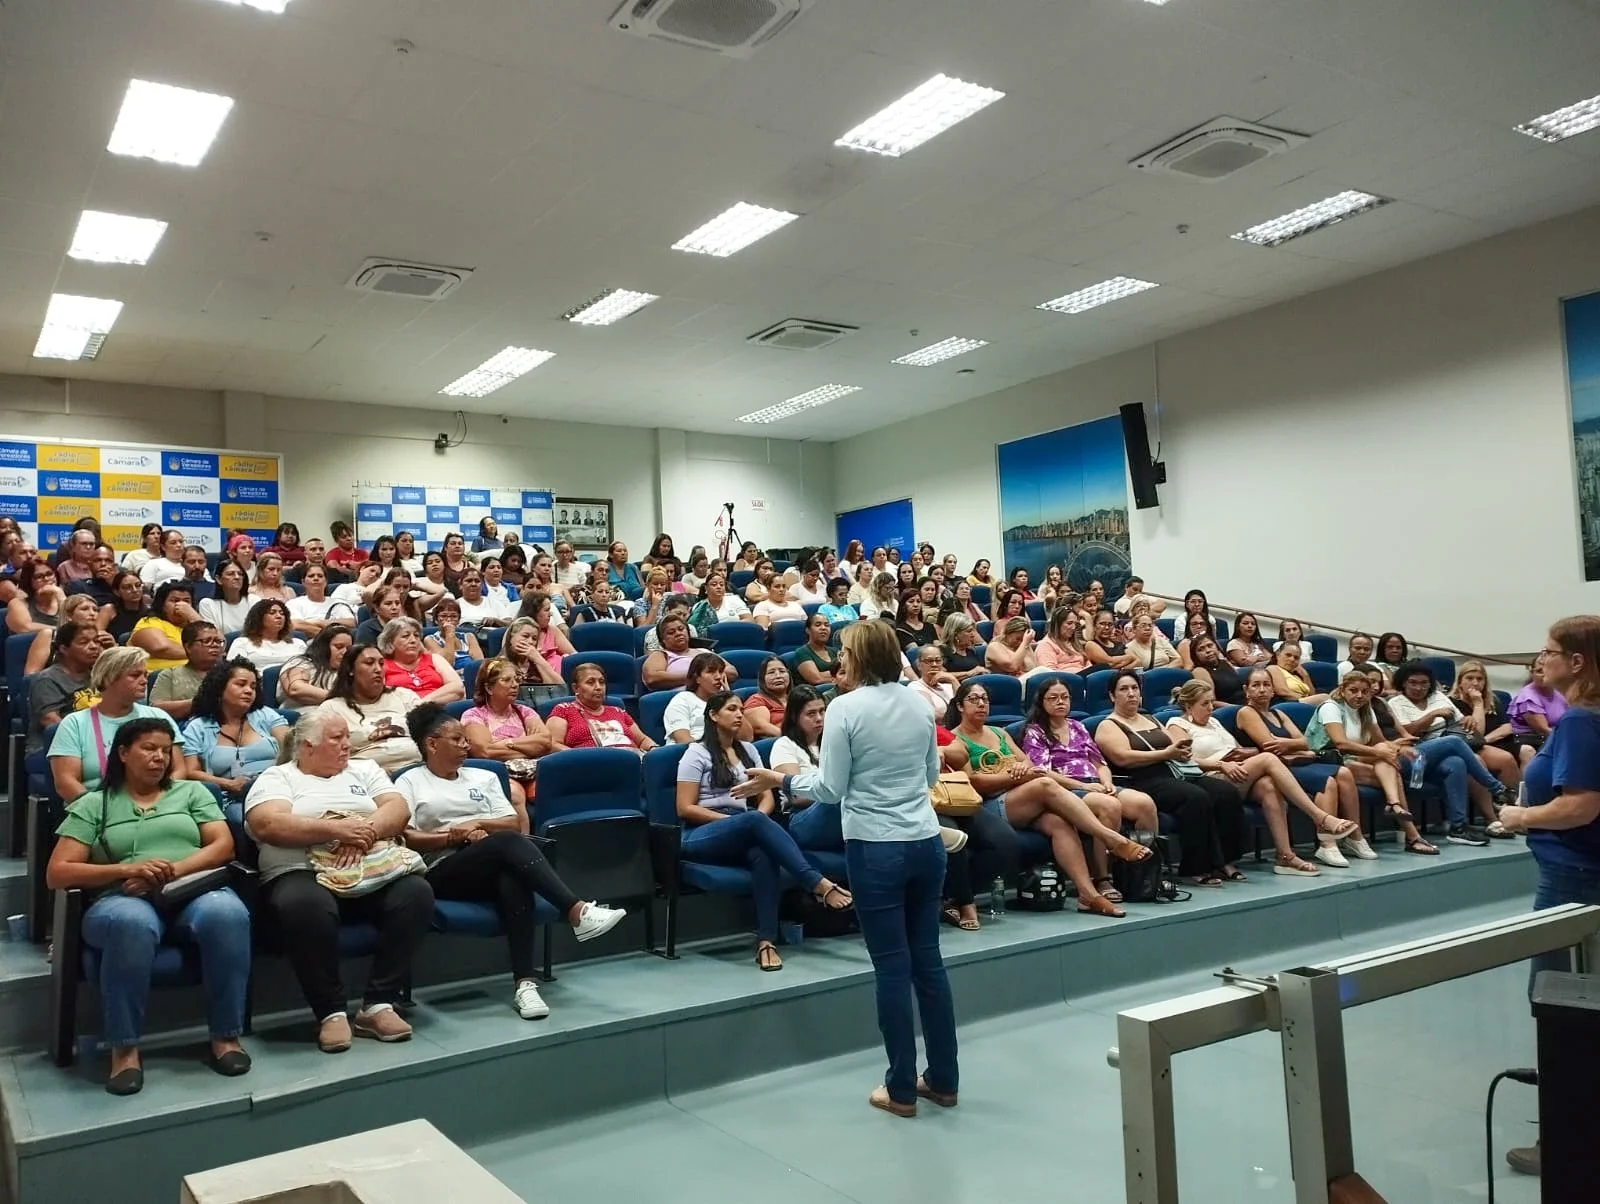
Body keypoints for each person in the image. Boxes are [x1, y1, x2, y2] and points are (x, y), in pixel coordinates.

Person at [731, 621, 962, 1115]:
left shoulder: (845, 708)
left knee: (892, 968)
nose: (839, 657)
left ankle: (900, 1088)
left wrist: (781, 778)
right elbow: (928, 775)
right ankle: (943, 1079)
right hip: (925, 841)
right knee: (929, 962)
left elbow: (831, 788)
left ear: (859, 656)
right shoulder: (919, 705)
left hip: (877, 849)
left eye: (846, 651)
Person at [46, 717, 249, 1094]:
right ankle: (123, 1050)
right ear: (123, 753)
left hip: (190, 890)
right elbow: (58, 872)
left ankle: (226, 1037)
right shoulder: (95, 803)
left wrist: (168, 872)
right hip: (121, 897)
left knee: (228, 914)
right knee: (131, 924)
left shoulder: (191, 793)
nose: (159, 757)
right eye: (148, 748)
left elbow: (223, 847)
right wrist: (127, 868)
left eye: (165, 750)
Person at [397, 705, 624, 1020]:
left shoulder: (484, 776)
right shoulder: (410, 781)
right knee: (506, 846)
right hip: (441, 870)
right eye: (457, 739)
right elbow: (405, 836)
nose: (466, 745)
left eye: (466, 739)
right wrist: (452, 837)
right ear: (432, 744)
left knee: (511, 877)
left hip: (489, 858)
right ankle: (575, 910)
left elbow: (510, 823)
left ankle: (525, 985)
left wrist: (478, 825)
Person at [245, 711, 430, 1050]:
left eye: (347, 736)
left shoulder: (365, 769)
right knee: (304, 904)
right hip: (301, 870)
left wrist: (361, 832)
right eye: (336, 738)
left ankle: (378, 1004)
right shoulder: (278, 777)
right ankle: (330, 1012)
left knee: (415, 892)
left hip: (369, 864)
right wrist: (335, 829)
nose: (347, 744)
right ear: (307, 746)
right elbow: (267, 824)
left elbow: (398, 809)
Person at [1494, 616, 1600, 1176]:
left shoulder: (1581, 719)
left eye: (1550, 651)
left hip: (1574, 880)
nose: (1543, 659)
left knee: (1559, 1008)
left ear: (1577, 662)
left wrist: (1519, 816)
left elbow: (1580, 806)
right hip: (1585, 873)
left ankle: (1568, 1141)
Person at [676, 690, 852, 973]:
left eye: (740, 709)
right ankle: (816, 882)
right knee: (754, 823)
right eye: (731, 709)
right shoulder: (696, 753)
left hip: (744, 827)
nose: (738, 714)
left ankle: (766, 942)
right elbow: (684, 807)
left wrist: (754, 822)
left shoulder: (750, 750)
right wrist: (739, 823)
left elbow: (767, 797)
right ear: (713, 715)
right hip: (701, 832)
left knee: (762, 852)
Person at [948, 679, 1148, 915]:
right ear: (960, 706)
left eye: (985, 699)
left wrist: (1020, 771)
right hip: (990, 807)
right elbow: (975, 782)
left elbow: (1028, 763)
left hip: (1022, 798)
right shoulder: (955, 739)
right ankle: (1111, 839)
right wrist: (1014, 776)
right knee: (1045, 783)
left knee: (1059, 823)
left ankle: (1088, 895)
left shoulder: (999, 732)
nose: (981, 704)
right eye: (974, 699)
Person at [1166, 681, 1358, 876]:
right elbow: (1182, 759)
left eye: (1211, 703)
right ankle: (1320, 817)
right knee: (1268, 758)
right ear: (1189, 705)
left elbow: (1234, 748)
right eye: (1204, 704)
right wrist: (1221, 764)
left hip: (1237, 770)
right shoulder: (1177, 725)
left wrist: (1243, 755)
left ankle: (1285, 856)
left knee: (1269, 787)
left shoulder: (1214, 722)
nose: (1210, 708)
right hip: (1210, 778)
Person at [1095, 669, 1247, 885]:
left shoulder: (1150, 718)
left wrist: (1181, 751)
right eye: (1124, 689)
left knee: (1225, 792)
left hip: (1172, 771)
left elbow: (1172, 745)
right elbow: (1123, 758)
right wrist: (1166, 753)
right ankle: (1196, 867)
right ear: (1112, 696)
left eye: (1134, 688)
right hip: (1141, 780)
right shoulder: (1108, 725)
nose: (1131, 694)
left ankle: (1225, 860)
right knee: (1195, 797)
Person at [1020, 677, 1160, 904]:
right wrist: (1085, 786)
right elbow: (1042, 772)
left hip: (1096, 783)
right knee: (1110, 805)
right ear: (1041, 702)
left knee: (1144, 803)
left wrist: (1107, 783)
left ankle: (1143, 872)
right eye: (1053, 698)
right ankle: (1103, 878)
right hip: (1066, 789)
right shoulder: (1035, 732)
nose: (1060, 702)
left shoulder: (1078, 726)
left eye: (1064, 697)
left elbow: (1099, 762)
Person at [1234, 667, 1374, 866]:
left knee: (1343, 772)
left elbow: (1306, 741)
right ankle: (1328, 844)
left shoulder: (1279, 713)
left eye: (1266, 685)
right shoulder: (1246, 712)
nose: (1262, 690)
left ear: (1273, 690)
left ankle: (1355, 837)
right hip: (1275, 769)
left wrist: (1290, 745)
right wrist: (1295, 746)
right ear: (1246, 690)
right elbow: (1269, 745)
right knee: (1327, 781)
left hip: (1293, 762)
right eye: (1256, 685)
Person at [1305, 672, 1436, 855]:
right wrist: (1380, 752)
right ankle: (1410, 832)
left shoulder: (1366, 709)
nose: (1359, 696)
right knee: (1391, 772)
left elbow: (1380, 741)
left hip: (1352, 757)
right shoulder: (1331, 707)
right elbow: (1340, 743)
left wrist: (1399, 749)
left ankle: (1395, 807)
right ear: (1343, 690)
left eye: (1364, 692)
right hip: (1327, 759)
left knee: (1385, 755)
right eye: (1354, 690)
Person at [1386, 659, 1513, 844]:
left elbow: (1461, 723)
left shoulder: (1438, 697)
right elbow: (1406, 733)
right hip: (1412, 759)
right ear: (1403, 683)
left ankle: (1458, 827)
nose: (1419, 687)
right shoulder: (1395, 702)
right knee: (1452, 742)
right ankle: (1497, 788)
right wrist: (1432, 716)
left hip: (1437, 758)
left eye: (1424, 683)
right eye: (1413, 682)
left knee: (1457, 763)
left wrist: (1468, 719)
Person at [50, 646, 185, 801]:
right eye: (135, 675)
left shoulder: (159, 716)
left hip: (156, 806)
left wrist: (157, 801)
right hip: (98, 810)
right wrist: (99, 810)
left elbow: (179, 770)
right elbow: (66, 782)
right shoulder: (75, 723)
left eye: (145, 675)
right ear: (108, 678)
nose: (144, 681)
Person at [182, 659, 292, 809]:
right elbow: (190, 772)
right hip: (232, 797)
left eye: (253, 687)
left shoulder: (266, 715)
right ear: (220, 688)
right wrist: (228, 784)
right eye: (241, 684)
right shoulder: (198, 727)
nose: (249, 691)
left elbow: (292, 749)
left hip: (277, 787)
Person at [318, 643, 424, 773]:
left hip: (418, 769)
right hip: (363, 776)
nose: (378, 669)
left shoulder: (404, 696)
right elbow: (325, 751)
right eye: (369, 663)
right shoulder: (332, 708)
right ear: (351, 670)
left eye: (381, 663)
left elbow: (432, 731)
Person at [460, 658, 551, 802]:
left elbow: (545, 743)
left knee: (550, 788)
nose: (514, 685)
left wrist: (507, 743)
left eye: (516, 679)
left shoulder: (525, 711)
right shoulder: (473, 715)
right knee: (514, 795)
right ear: (489, 688)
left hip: (532, 771)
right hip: (497, 773)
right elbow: (485, 752)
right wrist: (530, 748)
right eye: (506, 680)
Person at [27, 621, 103, 756]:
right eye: (84, 642)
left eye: (96, 641)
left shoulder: (101, 675)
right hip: (53, 748)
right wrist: (91, 742)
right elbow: (50, 721)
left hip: (98, 742)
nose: (93, 647)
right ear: (64, 649)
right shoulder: (47, 680)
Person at [546, 662, 655, 753]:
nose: (598, 687)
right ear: (576, 688)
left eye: (602, 682)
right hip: (589, 766)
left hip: (630, 762)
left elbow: (642, 740)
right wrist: (579, 758)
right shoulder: (564, 709)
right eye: (590, 682)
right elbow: (553, 744)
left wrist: (653, 748)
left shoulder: (617, 711)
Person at [1451, 658, 1528, 773]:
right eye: (1469, 678)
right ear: (1460, 682)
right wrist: (1478, 703)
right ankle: (1510, 790)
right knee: (1506, 758)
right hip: (1472, 747)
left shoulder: (1493, 700)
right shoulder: (1452, 703)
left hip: (1492, 742)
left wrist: (1486, 739)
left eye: (1480, 679)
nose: (1475, 683)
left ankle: (1527, 790)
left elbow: (1508, 727)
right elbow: (1476, 733)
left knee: (1528, 750)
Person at [149, 621, 228, 722]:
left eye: (218, 641)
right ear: (188, 647)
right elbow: (155, 709)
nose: (215, 645)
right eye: (207, 641)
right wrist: (199, 703)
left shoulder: (231, 673)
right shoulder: (170, 674)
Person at [378, 617, 464, 706]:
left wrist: (422, 703)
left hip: (438, 709)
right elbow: (379, 699)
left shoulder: (434, 659)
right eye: (405, 636)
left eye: (416, 635)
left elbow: (458, 687)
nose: (413, 640)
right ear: (390, 643)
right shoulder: (381, 666)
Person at [666, 653, 742, 744]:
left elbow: (747, 738)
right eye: (711, 672)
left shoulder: (726, 703)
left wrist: (730, 698)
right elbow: (683, 741)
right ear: (697, 678)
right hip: (692, 754)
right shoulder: (682, 700)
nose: (718, 677)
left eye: (721, 671)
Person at [279, 625, 353, 708]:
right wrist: (340, 698)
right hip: (305, 714)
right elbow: (295, 689)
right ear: (323, 647)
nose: (345, 652)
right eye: (339, 647)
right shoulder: (301, 663)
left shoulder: (351, 669)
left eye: (349, 648)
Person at [225, 599, 305, 670]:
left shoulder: (298, 643)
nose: (279, 616)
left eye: (282, 613)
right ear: (258, 618)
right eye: (272, 612)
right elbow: (234, 672)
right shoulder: (242, 643)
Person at [1511, 655, 1568, 755]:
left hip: (1557, 738)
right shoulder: (1527, 697)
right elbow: (1544, 730)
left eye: (1548, 669)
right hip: (1535, 742)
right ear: (1532, 673)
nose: (1544, 674)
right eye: (1539, 671)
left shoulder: (1559, 691)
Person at [7, 558, 64, 634]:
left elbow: (76, 625)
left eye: (49, 574)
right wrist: (61, 631)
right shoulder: (18, 603)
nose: (46, 579)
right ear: (28, 581)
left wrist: (61, 597)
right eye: (39, 577)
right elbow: (25, 627)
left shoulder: (62, 597)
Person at [743, 655, 791, 739]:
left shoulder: (798, 697)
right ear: (763, 679)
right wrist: (794, 740)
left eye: (782, 671)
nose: (778, 676)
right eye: (771, 672)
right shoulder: (757, 700)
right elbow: (761, 727)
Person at [198, 562, 252, 636]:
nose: (237, 577)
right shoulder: (208, 604)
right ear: (219, 579)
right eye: (230, 574)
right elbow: (212, 635)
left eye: (240, 574)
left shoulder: (253, 600)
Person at [98, 569, 151, 644]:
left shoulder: (149, 612)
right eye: (127, 587)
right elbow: (97, 634)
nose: (135, 590)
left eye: (138, 585)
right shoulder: (109, 609)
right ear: (117, 592)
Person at [1036, 607, 1092, 674]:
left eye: (1075, 624)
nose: (1073, 627)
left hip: (1083, 676)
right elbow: (1049, 672)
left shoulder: (1075, 642)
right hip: (1064, 679)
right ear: (1057, 624)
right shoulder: (1045, 645)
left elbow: (1087, 664)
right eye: (1069, 623)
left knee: (1103, 669)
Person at [793, 612, 839, 689]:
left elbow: (849, 673)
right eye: (818, 625)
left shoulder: (835, 651)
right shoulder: (802, 652)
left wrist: (824, 674)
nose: (823, 628)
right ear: (808, 630)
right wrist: (839, 673)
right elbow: (816, 679)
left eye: (827, 625)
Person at [909, 645, 957, 717]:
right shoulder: (915, 687)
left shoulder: (949, 686)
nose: (934, 665)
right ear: (919, 665)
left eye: (938, 660)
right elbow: (934, 716)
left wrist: (953, 680)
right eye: (929, 661)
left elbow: (966, 708)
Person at [938, 614, 986, 680]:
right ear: (955, 634)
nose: (973, 635)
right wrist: (970, 673)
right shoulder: (942, 651)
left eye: (973, 631)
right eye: (969, 631)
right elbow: (939, 676)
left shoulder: (971, 650)